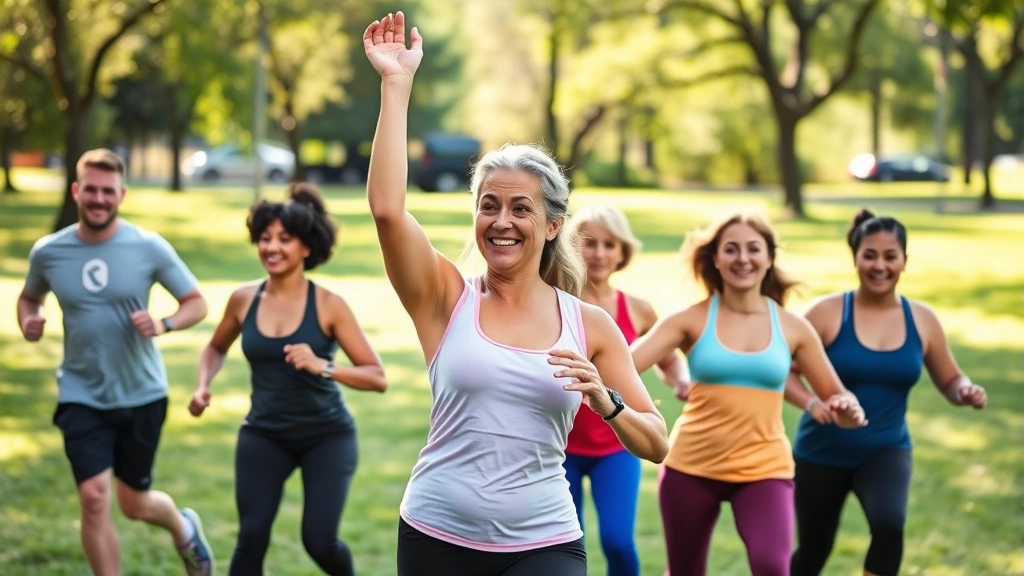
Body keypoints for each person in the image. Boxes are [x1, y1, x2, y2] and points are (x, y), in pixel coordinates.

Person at [363, 12, 669, 576]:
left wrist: (606, 401)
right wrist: (395, 87)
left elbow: (656, 441)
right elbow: (387, 210)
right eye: (489, 205)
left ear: (553, 224)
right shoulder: (444, 299)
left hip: (543, 542)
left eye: (521, 208)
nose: (502, 221)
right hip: (436, 533)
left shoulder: (589, 325)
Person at [630, 212, 867, 576]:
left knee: (773, 567)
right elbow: (626, 365)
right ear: (715, 259)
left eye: (753, 249)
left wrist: (848, 411)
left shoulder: (794, 329)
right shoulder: (690, 319)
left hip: (764, 469)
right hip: (691, 466)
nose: (743, 258)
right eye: (731, 249)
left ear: (769, 258)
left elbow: (837, 398)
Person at [16, 148, 214, 576]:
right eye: (91, 189)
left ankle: (183, 528)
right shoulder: (49, 252)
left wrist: (164, 323)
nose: (99, 199)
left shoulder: (147, 247)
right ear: (76, 190)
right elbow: (29, 297)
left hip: (141, 392)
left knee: (134, 503)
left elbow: (196, 303)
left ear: (122, 194)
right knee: (93, 498)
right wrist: (29, 320)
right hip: (80, 391)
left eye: (108, 191)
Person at [188, 183, 387, 576]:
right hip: (264, 433)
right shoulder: (243, 299)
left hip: (326, 436)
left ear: (306, 248)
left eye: (285, 239)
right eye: (265, 238)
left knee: (319, 541)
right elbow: (215, 348)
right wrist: (203, 385)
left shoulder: (329, 305)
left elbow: (377, 376)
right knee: (251, 536)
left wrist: (324, 365)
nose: (272, 248)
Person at [787, 210, 987, 576]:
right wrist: (811, 402)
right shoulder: (828, 313)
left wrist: (965, 390)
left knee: (889, 526)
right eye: (870, 255)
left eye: (890, 256)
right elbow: (782, 371)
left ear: (904, 261)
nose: (880, 265)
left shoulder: (922, 320)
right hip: (821, 452)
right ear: (856, 258)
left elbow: (950, 380)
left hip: (885, 449)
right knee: (814, 550)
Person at [563, 205, 690, 576]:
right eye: (588, 243)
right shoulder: (558, 301)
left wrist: (679, 377)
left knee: (619, 542)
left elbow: (667, 358)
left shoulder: (637, 309)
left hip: (616, 447)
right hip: (560, 447)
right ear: (571, 247)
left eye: (609, 244)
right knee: (569, 546)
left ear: (623, 252)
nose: (599, 253)